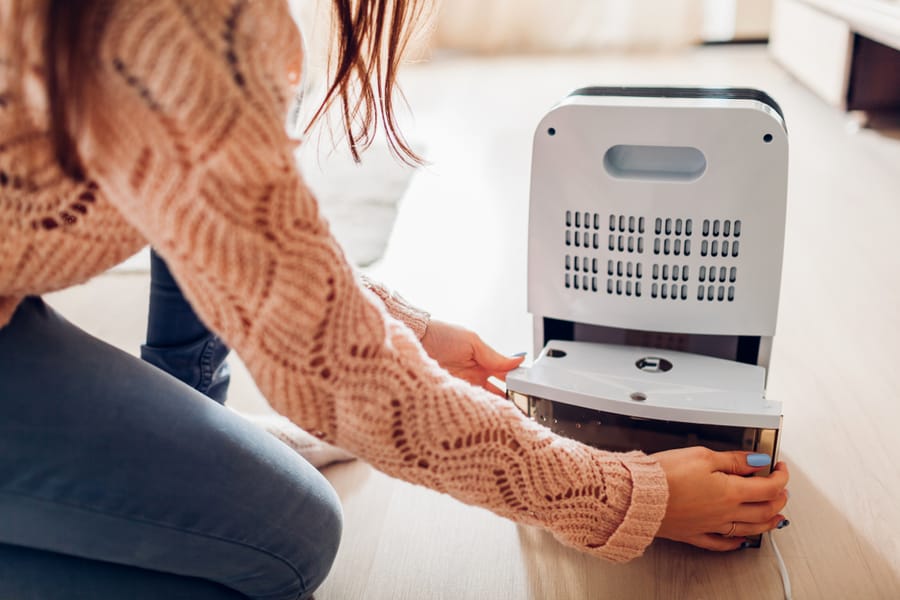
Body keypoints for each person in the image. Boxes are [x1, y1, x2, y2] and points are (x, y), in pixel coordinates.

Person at [0, 0, 790, 598]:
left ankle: (186, 421)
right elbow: (340, 380)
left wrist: (401, 328)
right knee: (292, 538)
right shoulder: (180, 25)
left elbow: (224, 213)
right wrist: (623, 497)